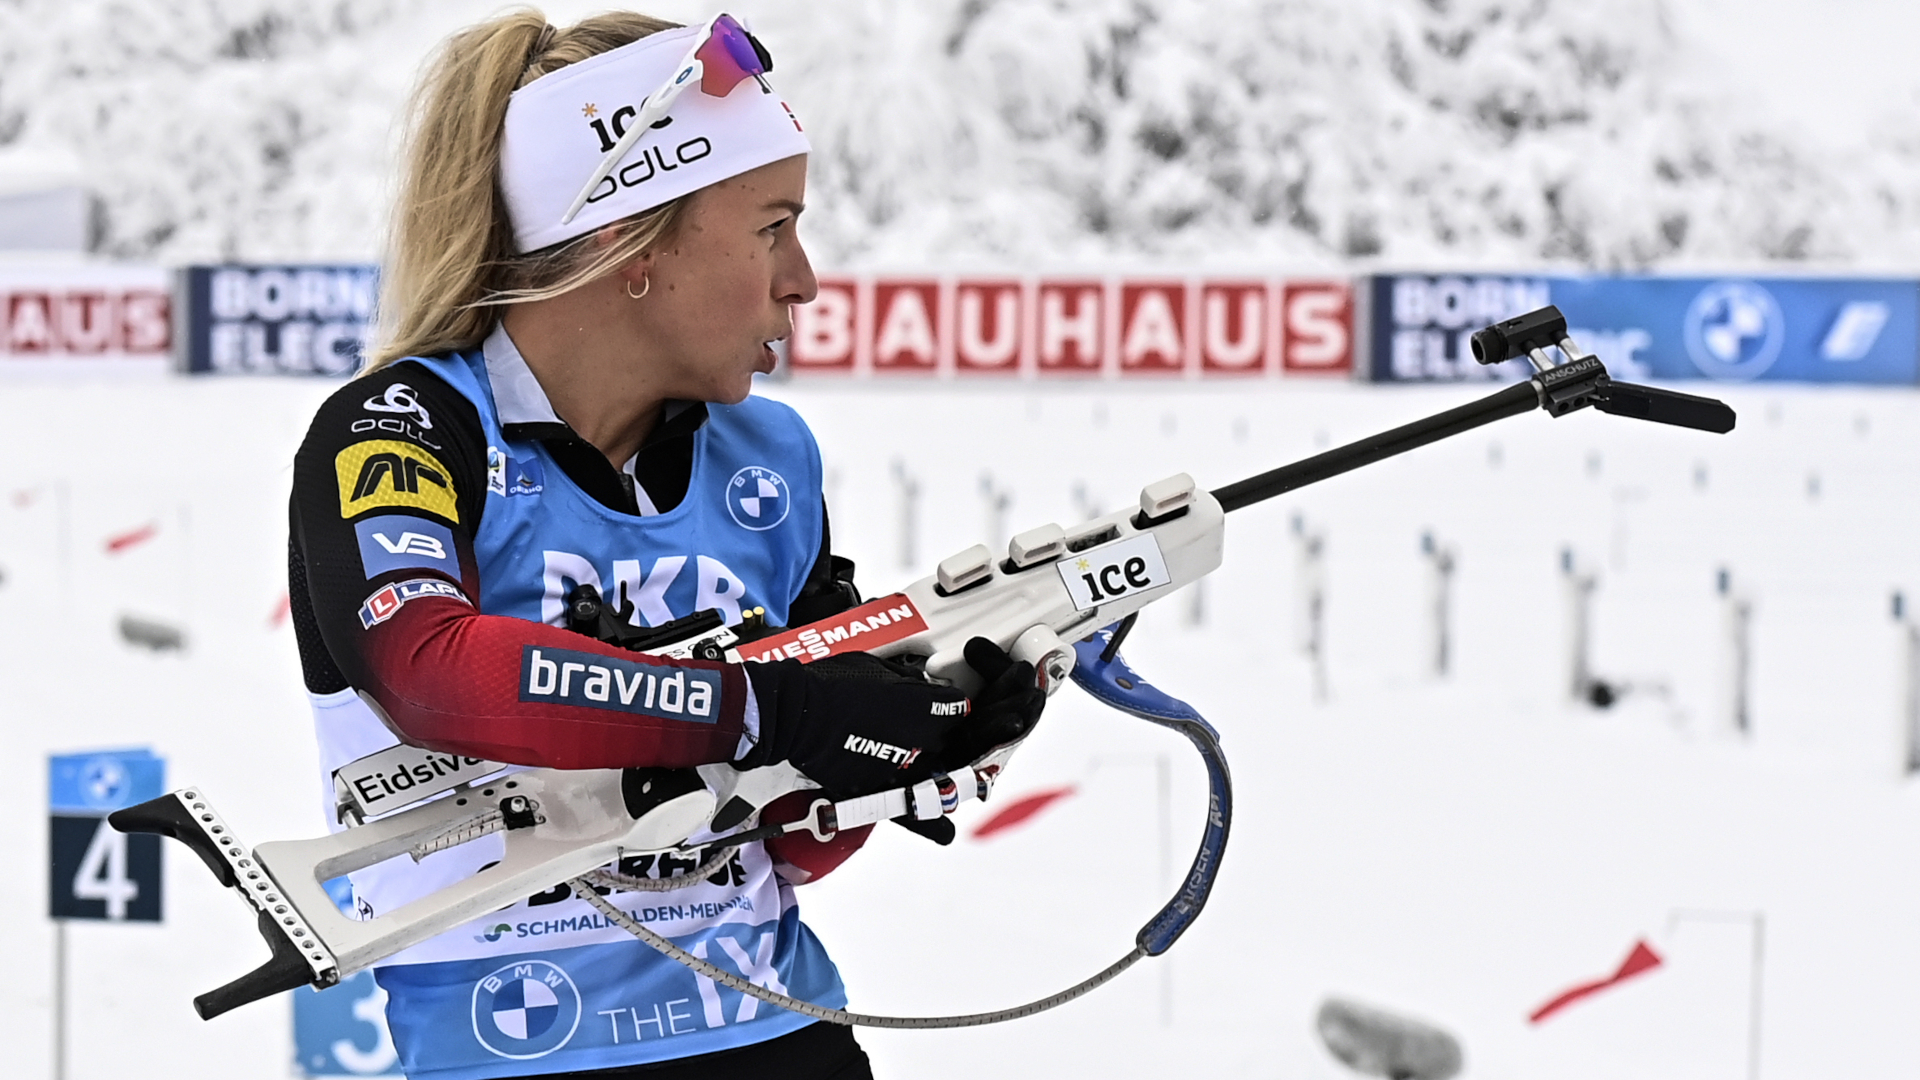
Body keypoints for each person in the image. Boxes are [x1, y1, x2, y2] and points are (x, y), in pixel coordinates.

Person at [286, 11, 1045, 1079]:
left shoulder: (768, 457)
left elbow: (790, 839)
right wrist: (761, 707)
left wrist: (906, 741)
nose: (806, 280)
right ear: (627, 242)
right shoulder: (405, 427)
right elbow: (428, 669)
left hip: (779, 1037)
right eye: (772, 227)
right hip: (519, 1052)